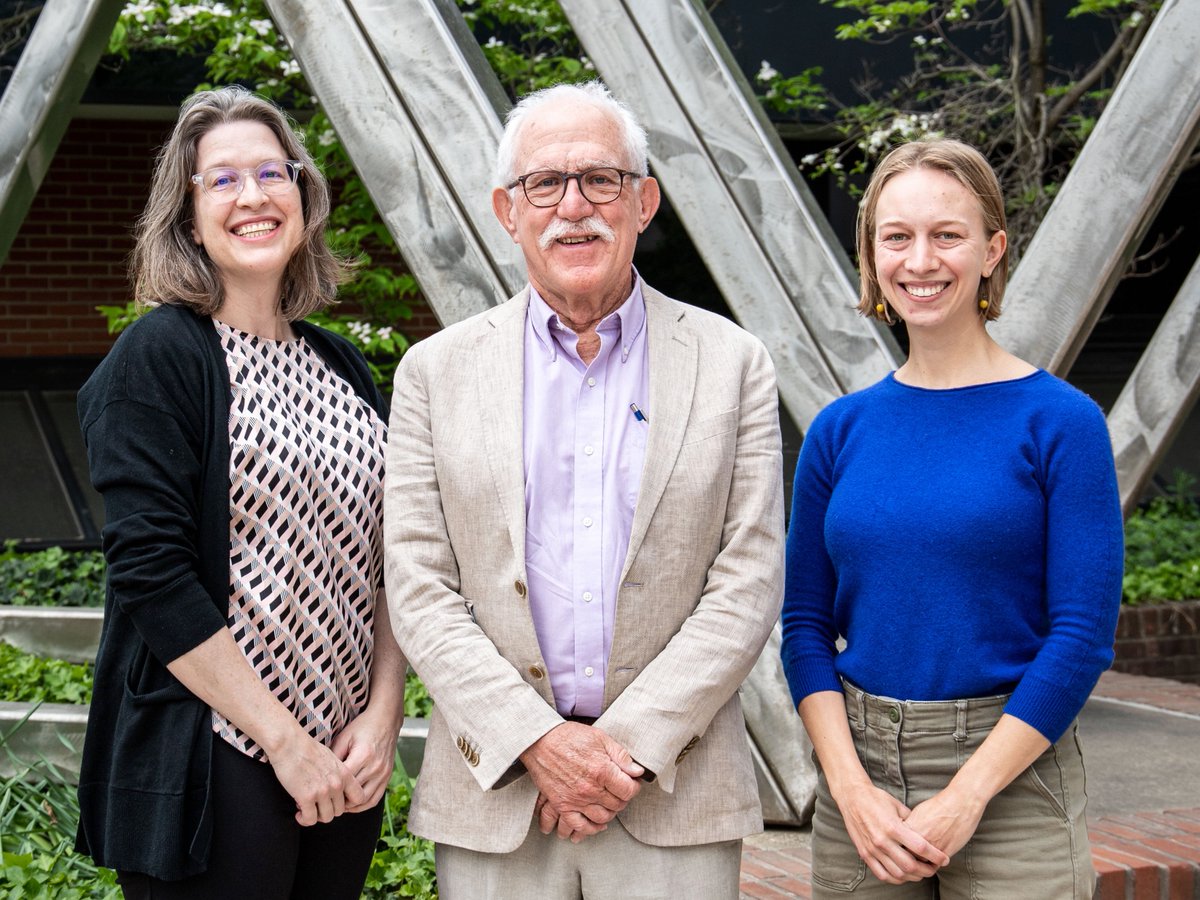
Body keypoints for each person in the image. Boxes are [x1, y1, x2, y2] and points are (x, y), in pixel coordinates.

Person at [384, 80, 785, 899]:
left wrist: (621, 753)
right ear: (508, 209)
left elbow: (747, 582)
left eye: (601, 179)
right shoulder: (434, 373)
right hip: (498, 795)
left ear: (644, 201)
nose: (575, 206)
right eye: (545, 183)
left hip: (673, 793)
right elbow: (419, 585)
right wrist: (538, 742)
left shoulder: (732, 362)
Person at [74, 86, 406, 898]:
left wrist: (384, 716)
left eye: (271, 172)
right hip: (218, 753)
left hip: (344, 752)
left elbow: (401, 548)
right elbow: (150, 572)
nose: (252, 196)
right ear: (187, 215)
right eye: (220, 180)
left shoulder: (341, 365)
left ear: (303, 195)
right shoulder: (160, 356)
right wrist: (284, 742)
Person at [780, 138, 1123, 898]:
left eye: (948, 234)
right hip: (860, 773)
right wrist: (850, 789)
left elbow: (1082, 637)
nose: (920, 260)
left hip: (1013, 769)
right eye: (896, 237)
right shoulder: (840, 429)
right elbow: (803, 624)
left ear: (992, 250)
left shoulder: (1061, 423)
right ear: (872, 256)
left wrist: (968, 795)